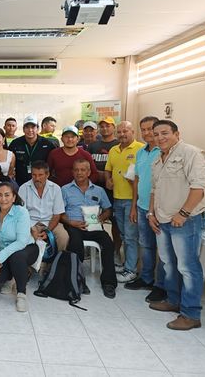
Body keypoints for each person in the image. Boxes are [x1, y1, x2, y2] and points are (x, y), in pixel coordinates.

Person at [148, 120, 205, 331]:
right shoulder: (157, 159)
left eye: (165, 133)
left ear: (177, 134)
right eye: (156, 134)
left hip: (186, 221)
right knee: (168, 263)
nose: (160, 137)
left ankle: (191, 314)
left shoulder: (192, 153)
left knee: (188, 267)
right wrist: (151, 213)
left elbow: (199, 187)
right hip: (162, 219)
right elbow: (154, 190)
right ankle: (173, 300)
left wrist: (183, 214)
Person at [61, 159, 117, 298]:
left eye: (83, 170)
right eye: (76, 170)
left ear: (89, 172)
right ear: (72, 172)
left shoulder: (99, 190)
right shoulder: (65, 190)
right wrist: (71, 222)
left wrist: (101, 218)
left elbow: (108, 209)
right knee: (75, 243)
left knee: (108, 243)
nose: (79, 173)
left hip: (94, 227)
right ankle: (78, 280)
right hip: (74, 226)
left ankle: (109, 283)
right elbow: (60, 214)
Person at [127, 116, 166, 302]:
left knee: (163, 250)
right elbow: (137, 180)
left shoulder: (164, 151)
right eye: (143, 129)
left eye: (150, 129)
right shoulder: (141, 152)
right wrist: (134, 206)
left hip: (161, 209)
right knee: (146, 245)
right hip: (142, 206)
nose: (147, 133)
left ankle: (161, 286)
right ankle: (146, 279)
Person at [0, 182, 37, 312]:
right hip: (3, 251)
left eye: (7, 195)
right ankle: (11, 278)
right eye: (0, 195)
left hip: (26, 249)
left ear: (13, 197)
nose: (3, 199)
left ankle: (21, 294)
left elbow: (21, 242)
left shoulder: (21, 212)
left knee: (17, 257)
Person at [105, 121, 144, 284]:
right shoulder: (113, 150)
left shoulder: (141, 149)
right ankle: (127, 264)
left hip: (132, 200)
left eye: (125, 131)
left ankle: (131, 270)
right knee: (123, 234)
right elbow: (108, 169)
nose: (122, 134)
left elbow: (145, 175)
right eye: (119, 132)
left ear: (133, 132)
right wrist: (108, 180)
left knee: (130, 236)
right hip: (117, 198)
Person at [87, 116, 121, 258]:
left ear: (114, 127)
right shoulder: (93, 145)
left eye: (108, 125)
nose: (105, 128)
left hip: (112, 189)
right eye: (102, 126)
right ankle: (93, 248)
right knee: (92, 218)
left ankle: (116, 250)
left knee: (115, 220)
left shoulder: (118, 144)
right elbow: (88, 166)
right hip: (94, 188)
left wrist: (107, 176)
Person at [18, 161, 69, 252]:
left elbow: (57, 215)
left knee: (63, 236)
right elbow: (21, 214)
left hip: (50, 222)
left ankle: (58, 259)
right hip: (30, 223)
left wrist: (48, 231)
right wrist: (31, 228)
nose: (37, 178)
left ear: (47, 174)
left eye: (40, 175)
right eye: (34, 175)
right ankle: (32, 261)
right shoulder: (23, 188)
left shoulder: (56, 188)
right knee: (24, 238)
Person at [9, 115, 56, 186]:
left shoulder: (47, 144)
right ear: (23, 129)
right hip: (20, 184)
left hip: (41, 184)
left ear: (37, 129)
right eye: (27, 127)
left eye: (33, 127)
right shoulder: (15, 143)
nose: (30, 130)